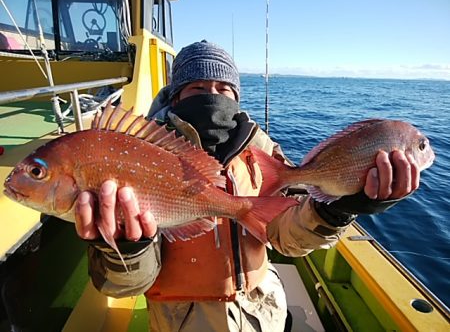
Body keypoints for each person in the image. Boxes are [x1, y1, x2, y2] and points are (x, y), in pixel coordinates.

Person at [75, 40, 420, 331]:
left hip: (263, 316)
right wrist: (126, 248)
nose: (213, 96)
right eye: (198, 88)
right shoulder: (143, 154)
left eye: (224, 89)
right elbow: (126, 286)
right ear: (176, 97)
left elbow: (287, 239)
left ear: (237, 97)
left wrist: (338, 208)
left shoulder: (263, 149)